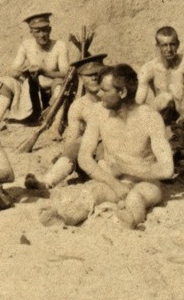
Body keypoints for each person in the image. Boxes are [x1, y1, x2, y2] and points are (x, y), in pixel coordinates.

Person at [43, 64, 174, 229]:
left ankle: (131, 220)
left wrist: (128, 169)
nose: (99, 94)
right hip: (112, 181)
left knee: (135, 198)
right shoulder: (99, 112)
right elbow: (84, 157)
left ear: (122, 92)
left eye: (105, 90)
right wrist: (114, 184)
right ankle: (64, 218)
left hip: (145, 183)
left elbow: (167, 169)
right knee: (93, 193)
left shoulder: (149, 117)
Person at [24, 53, 107, 191]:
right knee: (76, 144)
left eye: (97, 74)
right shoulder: (78, 106)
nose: (94, 78)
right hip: (88, 158)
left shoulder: (114, 99)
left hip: (112, 155)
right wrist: (67, 156)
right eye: (89, 75)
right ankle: (47, 182)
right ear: (81, 77)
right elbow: (72, 139)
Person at [0, 12, 71, 131]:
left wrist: (44, 72)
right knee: (6, 82)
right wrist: (23, 71)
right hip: (32, 95)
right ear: (31, 32)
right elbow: (12, 71)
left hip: (51, 95)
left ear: (50, 30)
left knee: (59, 85)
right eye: (37, 31)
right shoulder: (26, 45)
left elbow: (66, 74)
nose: (42, 35)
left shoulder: (59, 46)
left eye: (45, 30)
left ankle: (56, 126)